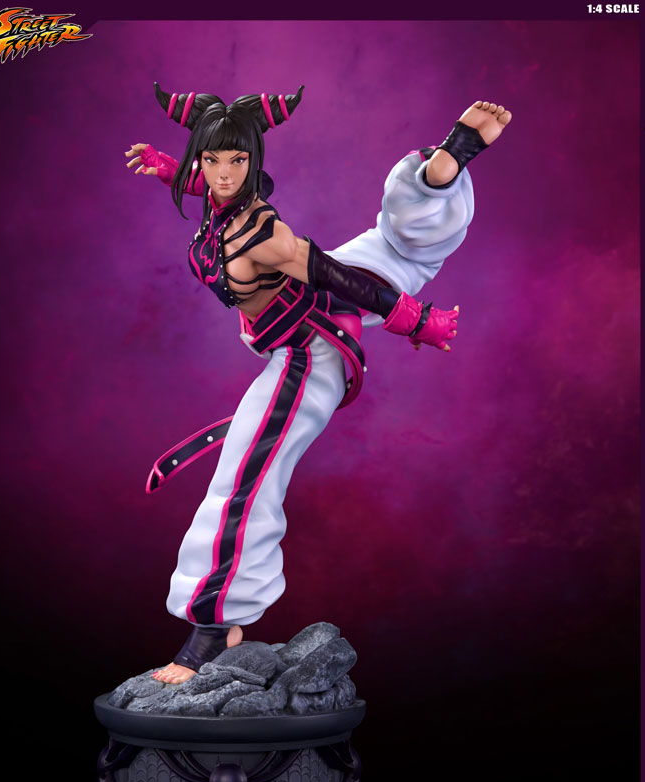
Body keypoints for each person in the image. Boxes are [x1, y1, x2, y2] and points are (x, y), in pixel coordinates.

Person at [125, 88, 511, 684]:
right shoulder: (226, 197)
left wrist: (413, 319)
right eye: (211, 160)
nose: (222, 174)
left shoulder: (262, 234)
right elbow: (221, 191)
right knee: (392, 247)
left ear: (253, 161)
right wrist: (173, 171)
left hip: (311, 349)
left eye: (236, 161)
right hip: (299, 319)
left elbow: (334, 276)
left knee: (246, 479)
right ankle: (436, 177)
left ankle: (214, 623)